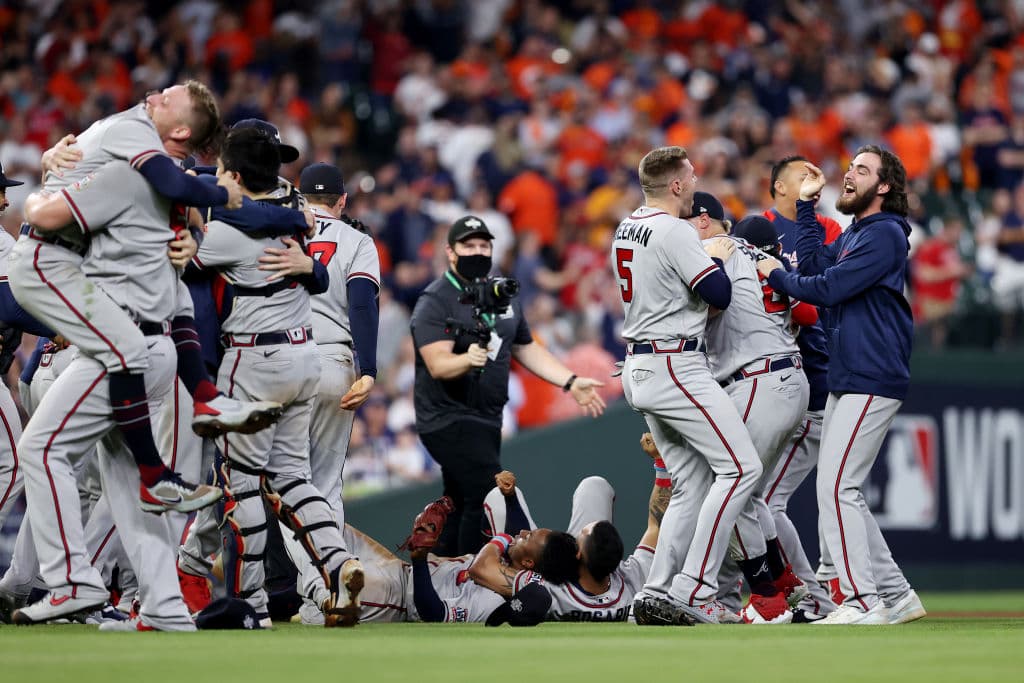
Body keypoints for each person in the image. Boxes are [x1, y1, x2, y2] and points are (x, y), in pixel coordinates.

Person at [7, 82, 281, 510]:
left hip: (88, 286)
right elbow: (173, 186)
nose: (154, 96)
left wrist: (191, 234)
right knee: (64, 472)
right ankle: (158, 474)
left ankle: (194, 418)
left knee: (90, 486)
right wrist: (221, 197)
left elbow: (177, 193)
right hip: (67, 276)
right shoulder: (134, 130)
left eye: (168, 97)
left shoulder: (151, 148)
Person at [10, 159, 208, 629]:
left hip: (118, 352)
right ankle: (164, 605)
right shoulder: (164, 232)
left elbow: (44, 219)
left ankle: (72, 582)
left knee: (40, 450)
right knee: (127, 479)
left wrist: (54, 168)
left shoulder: (118, 214)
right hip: (156, 350)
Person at [192, 126, 364, 628]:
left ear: (236, 174)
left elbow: (183, 259)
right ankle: (338, 563)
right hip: (304, 355)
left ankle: (251, 603)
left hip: (254, 360)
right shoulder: (295, 217)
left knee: (241, 484)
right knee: (293, 478)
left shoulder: (224, 231)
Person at [757, 147, 927, 625]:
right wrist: (808, 208)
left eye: (864, 169)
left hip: (872, 373)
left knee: (837, 488)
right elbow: (813, 265)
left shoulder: (887, 234)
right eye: (851, 166)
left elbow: (825, 288)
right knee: (841, 488)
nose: (850, 173)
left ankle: (861, 599)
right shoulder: (857, 232)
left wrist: (777, 275)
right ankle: (895, 593)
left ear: (885, 186)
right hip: (850, 374)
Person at [611, 146, 762, 626]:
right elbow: (718, 292)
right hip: (674, 362)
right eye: (691, 175)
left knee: (691, 482)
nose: (696, 181)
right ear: (676, 185)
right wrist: (715, 258)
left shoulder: (625, 225)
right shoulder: (676, 230)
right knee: (741, 469)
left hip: (642, 363)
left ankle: (652, 594)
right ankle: (693, 590)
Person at [410, 215, 606, 556]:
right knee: (489, 493)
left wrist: (570, 381)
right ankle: (472, 581)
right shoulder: (436, 299)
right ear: (450, 252)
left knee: (458, 500)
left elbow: (525, 346)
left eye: (483, 245)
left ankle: (434, 582)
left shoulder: (504, 292)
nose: (477, 251)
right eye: (468, 245)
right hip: (447, 417)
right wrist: (465, 360)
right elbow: (437, 364)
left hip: (488, 417)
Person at [687, 199, 813, 625]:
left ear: (703, 219)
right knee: (752, 492)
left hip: (757, 379)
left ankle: (765, 598)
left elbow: (707, 305)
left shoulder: (717, 250)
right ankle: (785, 583)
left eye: (686, 219)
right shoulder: (759, 255)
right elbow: (809, 311)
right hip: (787, 378)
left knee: (733, 485)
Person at [273, 162, 382, 625]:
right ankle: (325, 585)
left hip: (279, 359)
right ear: (342, 201)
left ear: (302, 198)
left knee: (286, 483)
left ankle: (317, 589)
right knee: (325, 486)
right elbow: (362, 302)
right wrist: (370, 369)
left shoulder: (280, 234)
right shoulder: (357, 241)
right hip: (336, 361)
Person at [468, 434, 667, 623]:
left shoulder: (548, 590)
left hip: (505, 579)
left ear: (578, 553)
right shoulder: (632, 578)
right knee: (594, 486)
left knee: (497, 498)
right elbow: (657, 527)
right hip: (599, 580)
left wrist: (503, 539)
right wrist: (661, 461)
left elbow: (481, 568)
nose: (575, 534)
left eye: (580, 535)